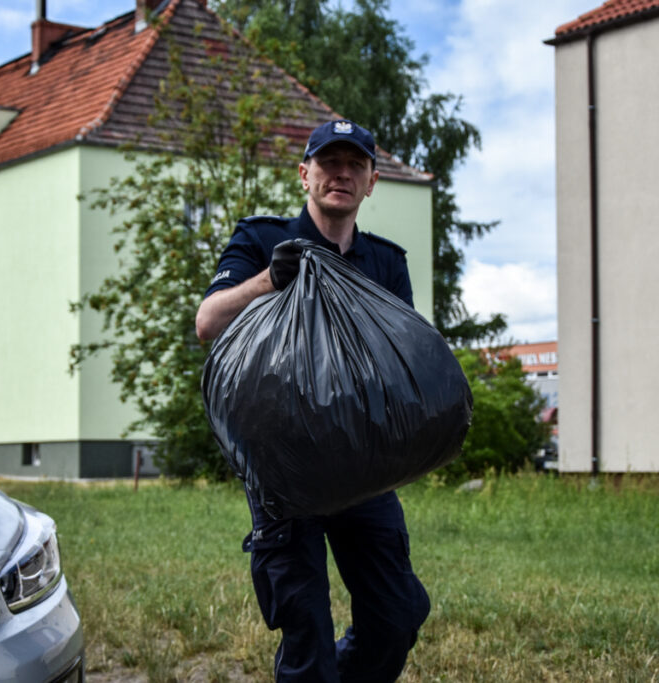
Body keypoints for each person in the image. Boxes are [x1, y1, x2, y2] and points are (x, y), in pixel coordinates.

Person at [195, 119, 431, 682]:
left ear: (371, 182)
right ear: (306, 174)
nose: (341, 174)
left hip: (363, 471)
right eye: (329, 163)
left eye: (355, 165)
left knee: (396, 616)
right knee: (306, 629)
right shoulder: (260, 239)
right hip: (285, 472)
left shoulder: (385, 264)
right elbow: (207, 322)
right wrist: (266, 282)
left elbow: (400, 365)